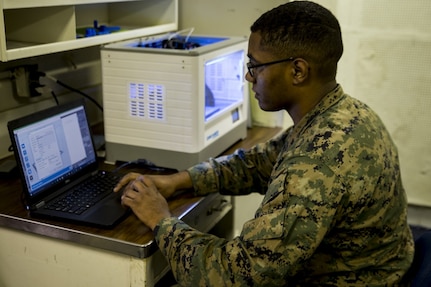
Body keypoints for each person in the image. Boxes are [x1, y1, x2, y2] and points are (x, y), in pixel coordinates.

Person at [114, 1, 414, 286]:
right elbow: (259, 163)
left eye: (255, 65)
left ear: (297, 70)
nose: (248, 75)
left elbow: (240, 276)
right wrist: (179, 181)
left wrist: (160, 220)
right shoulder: (343, 113)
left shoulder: (317, 164)